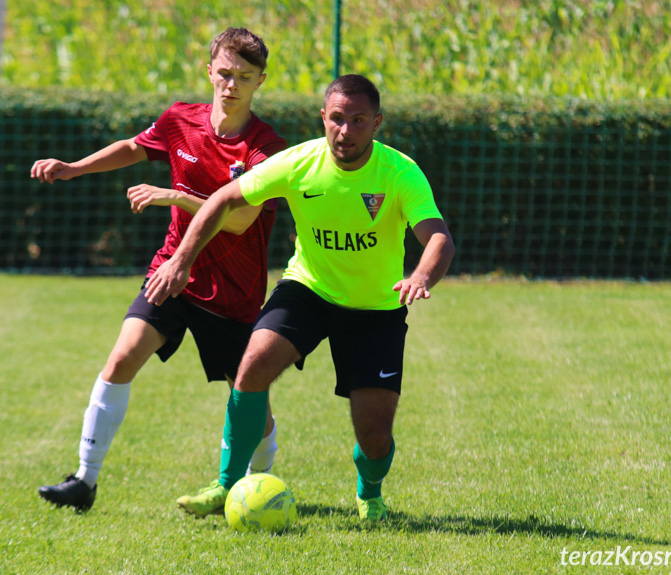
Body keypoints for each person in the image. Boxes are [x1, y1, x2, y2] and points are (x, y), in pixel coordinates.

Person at [143, 74, 455, 521]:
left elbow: (439, 237)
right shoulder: (300, 161)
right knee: (251, 366)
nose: (344, 131)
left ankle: (369, 494)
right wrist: (181, 259)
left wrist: (421, 275)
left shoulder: (399, 172)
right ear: (323, 118)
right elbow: (223, 199)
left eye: (358, 120)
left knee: (374, 437)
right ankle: (226, 484)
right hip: (307, 290)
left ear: (377, 122)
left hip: (375, 308)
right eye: (336, 119)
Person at [29, 27, 287, 512]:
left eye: (244, 77)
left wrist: (175, 196)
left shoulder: (265, 147)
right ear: (209, 70)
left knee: (251, 398)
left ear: (260, 82)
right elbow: (135, 146)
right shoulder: (180, 121)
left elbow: (239, 220)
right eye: (225, 74)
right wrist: (75, 167)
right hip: (173, 273)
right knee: (123, 357)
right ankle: (83, 481)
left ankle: (263, 478)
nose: (231, 85)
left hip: (233, 292)